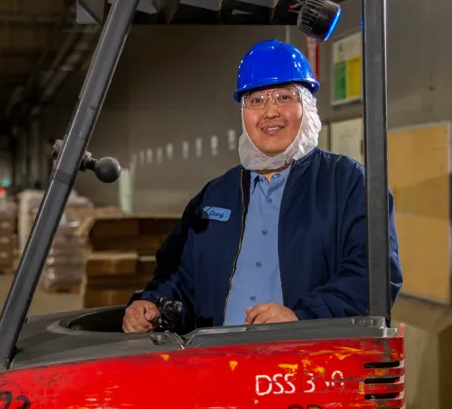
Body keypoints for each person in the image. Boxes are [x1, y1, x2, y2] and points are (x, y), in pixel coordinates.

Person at [122, 39, 402, 333]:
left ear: (306, 106)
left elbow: (375, 276)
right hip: (219, 364)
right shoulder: (215, 195)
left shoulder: (349, 185)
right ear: (244, 113)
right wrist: (152, 303)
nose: (270, 112)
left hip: (310, 367)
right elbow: (180, 276)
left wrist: (301, 317)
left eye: (284, 97)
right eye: (256, 100)